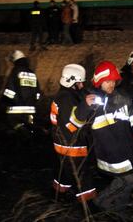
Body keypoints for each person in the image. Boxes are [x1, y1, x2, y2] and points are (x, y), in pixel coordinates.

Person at [88, 61, 133, 212]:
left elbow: (131, 117)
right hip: (110, 152)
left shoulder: (121, 97)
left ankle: (117, 208)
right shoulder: (93, 102)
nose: (111, 84)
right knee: (131, 179)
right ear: (99, 82)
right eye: (107, 81)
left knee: (125, 180)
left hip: (124, 148)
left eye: (114, 81)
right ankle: (101, 203)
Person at [50, 64, 97, 203]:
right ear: (72, 82)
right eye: (80, 82)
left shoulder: (66, 95)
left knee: (64, 173)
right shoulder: (66, 99)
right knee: (83, 177)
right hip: (72, 147)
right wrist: (85, 106)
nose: (82, 84)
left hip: (62, 145)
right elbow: (71, 126)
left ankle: (58, 195)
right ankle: (88, 207)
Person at [2, 50, 40, 133]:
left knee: (15, 128)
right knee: (30, 130)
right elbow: (37, 93)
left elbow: (9, 91)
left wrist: (4, 101)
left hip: (16, 110)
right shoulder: (32, 73)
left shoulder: (15, 71)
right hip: (30, 110)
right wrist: (32, 102)